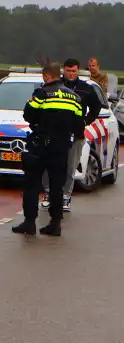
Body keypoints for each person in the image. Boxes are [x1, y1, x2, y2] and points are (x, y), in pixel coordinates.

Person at [13, 63, 85, 236]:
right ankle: (55, 224)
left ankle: (29, 223)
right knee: (56, 186)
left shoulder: (42, 93)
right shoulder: (74, 97)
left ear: (46, 76)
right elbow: (79, 126)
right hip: (61, 147)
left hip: (40, 145)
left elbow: (28, 114)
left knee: (31, 184)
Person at [42, 58, 106, 213]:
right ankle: (48, 193)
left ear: (78, 71)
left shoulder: (85, 88)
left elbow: (96, 107)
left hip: (75, 134)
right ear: (63, 70)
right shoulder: (54, 86)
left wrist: (85, 121)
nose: (71, 74)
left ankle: (66, 196)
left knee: (70, 167)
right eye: (68, 71)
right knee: (49, 166)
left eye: (74, 71)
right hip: (54, 134)